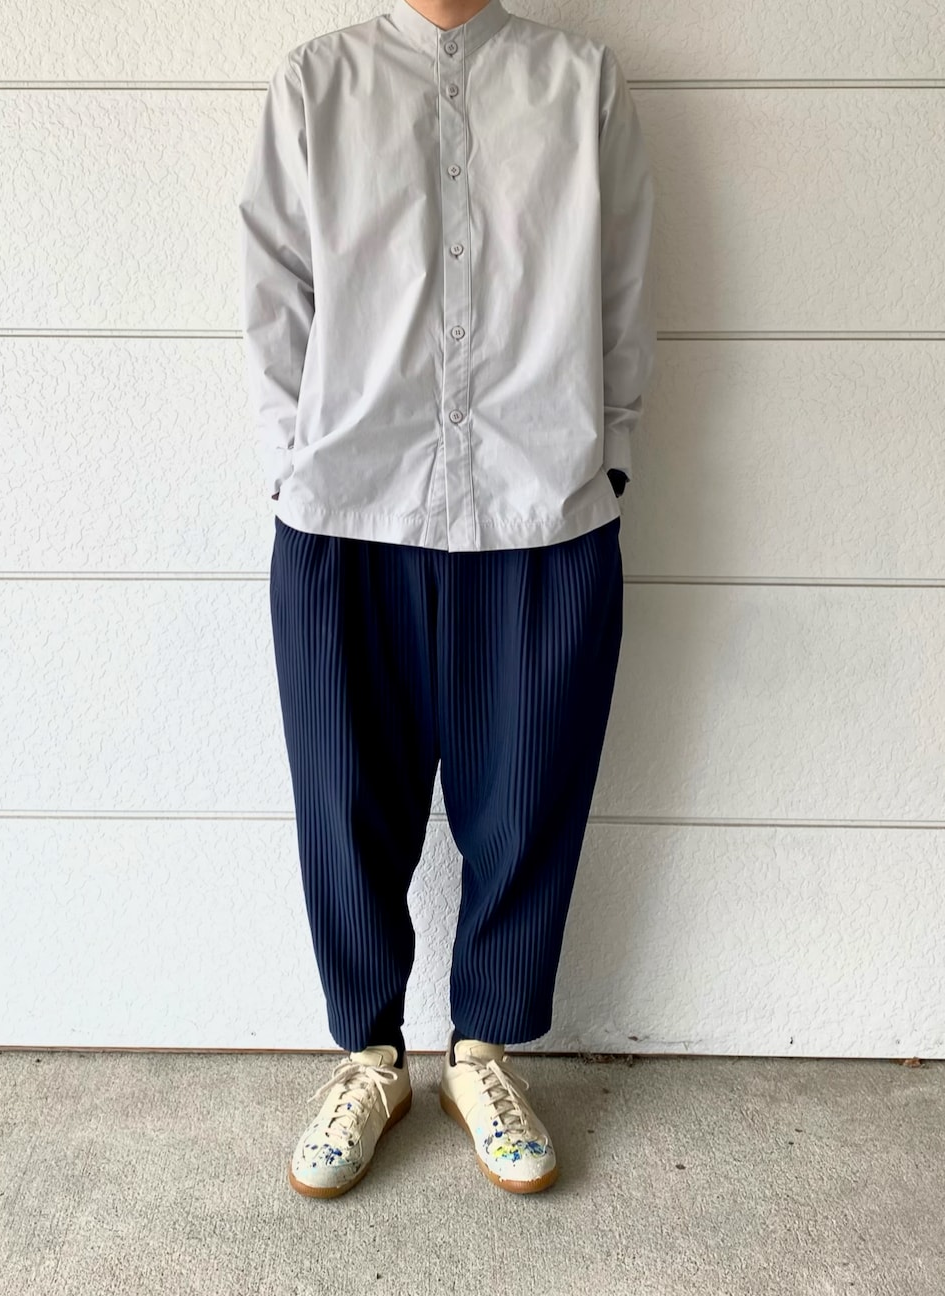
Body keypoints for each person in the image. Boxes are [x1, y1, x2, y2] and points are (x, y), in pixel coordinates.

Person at [236, 0, 656, 1198]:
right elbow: (273, 290)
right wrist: (293, 463)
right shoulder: (318, 85)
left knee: (525, 799)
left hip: (539, 510)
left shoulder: (580, 84)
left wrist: (608, 459)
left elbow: (624, 288)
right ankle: (370, 1058)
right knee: (345, 801)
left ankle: (483, 1053)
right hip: (346, 510)